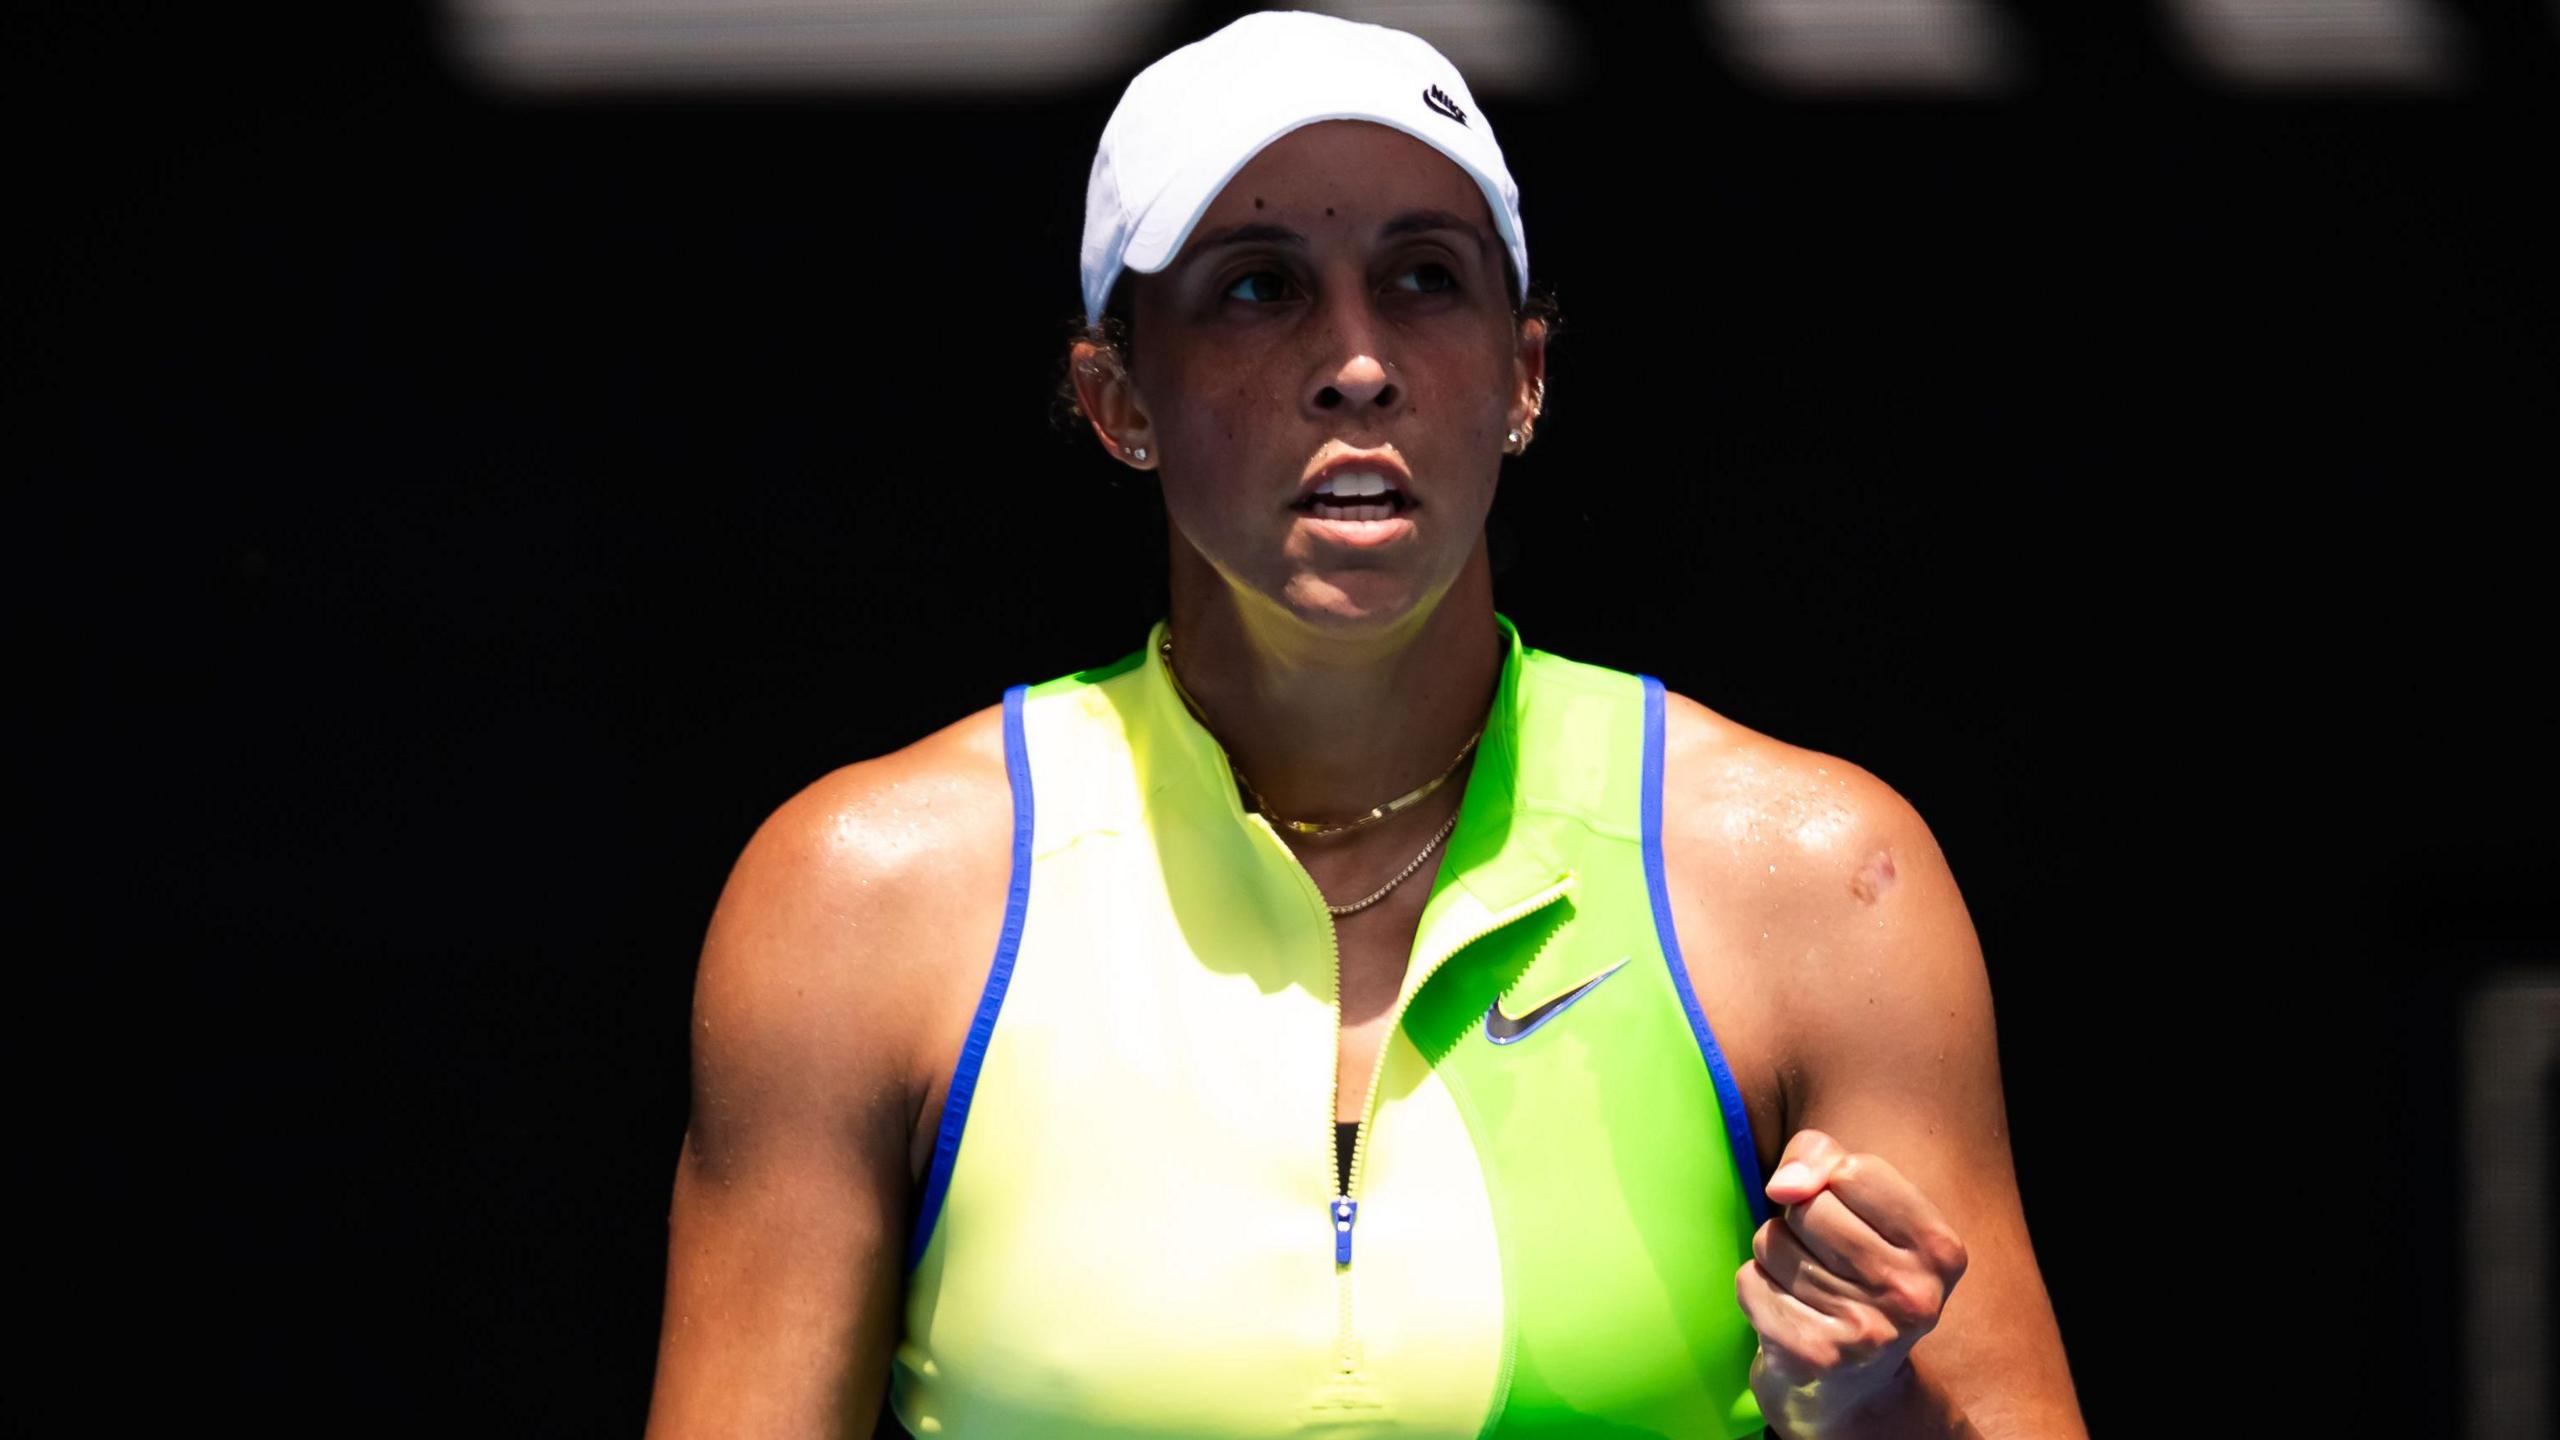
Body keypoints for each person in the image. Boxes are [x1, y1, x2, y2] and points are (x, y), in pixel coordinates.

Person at [642, 11, 2083, 1438]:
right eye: (1260, 287)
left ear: (1525, 378)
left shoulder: (1822, 880)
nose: (1358, 363)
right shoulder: (857, 901)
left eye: (1423, 279)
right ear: (1116, 397)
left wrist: (1874, 1406)